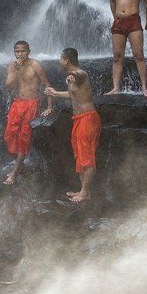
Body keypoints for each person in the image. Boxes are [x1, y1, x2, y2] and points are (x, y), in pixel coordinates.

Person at [45, 48, 101, 202]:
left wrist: (72, 76)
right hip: (78, 119)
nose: (59, 61)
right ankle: (84, 191)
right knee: (80, 155)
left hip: (88, 119)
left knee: (87, 156)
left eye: (60, 58)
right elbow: (72, 94)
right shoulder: (73, 78)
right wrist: (55, 93)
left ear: (66, 60)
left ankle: (84, 192)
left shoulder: (79, 74)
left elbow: (79, 75)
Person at [4, 40, 53, 185]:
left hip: (32, 104)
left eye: (23, 51)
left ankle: (14, 173)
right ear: (14, 52)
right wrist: (16, 71)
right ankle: (22, 169)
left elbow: (47, 84)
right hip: (17, 103)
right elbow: (8, 87)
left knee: (24, 139)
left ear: (29, 52)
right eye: (17, 51)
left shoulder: (35, 65)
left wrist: (49, 106)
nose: (20, 54)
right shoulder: (12, 66)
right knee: (8, 137)